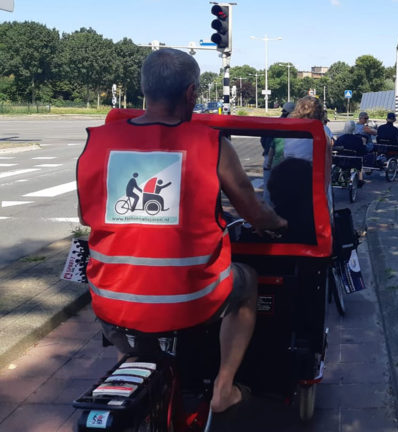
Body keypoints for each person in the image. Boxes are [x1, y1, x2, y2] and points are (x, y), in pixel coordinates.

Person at [76, 48, 287, 419]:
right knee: (247, 282)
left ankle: (132, 362)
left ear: (143, 88)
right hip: (192, 300)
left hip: (110, 300)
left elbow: (86, 213)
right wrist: (278, 223)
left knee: (124, 309)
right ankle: (223, 388)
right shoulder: (211, 145)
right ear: (191, 94)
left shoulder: (97, 142)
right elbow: (254, 214)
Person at [262, 101, 295, 203]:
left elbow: (263, 139)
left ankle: (268, 212)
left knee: (268, 188)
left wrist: (267, 151)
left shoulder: (273, 123)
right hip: (283, 159)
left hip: (269, 157)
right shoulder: (293, 125)